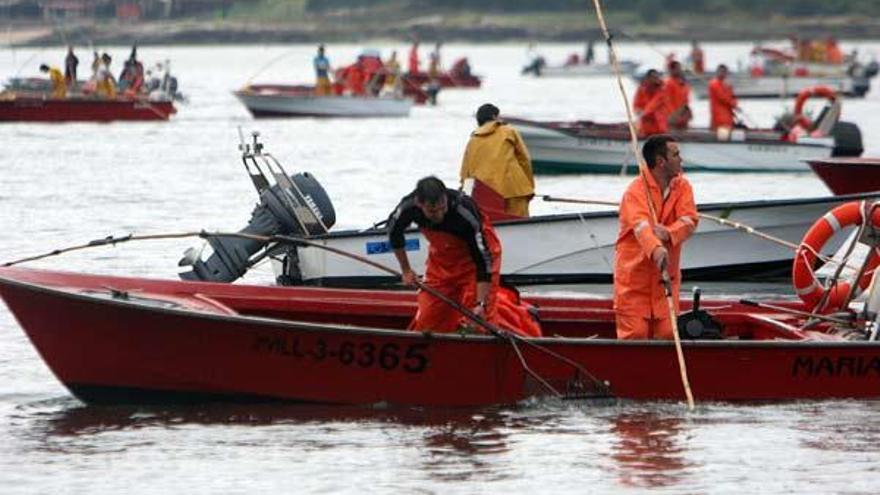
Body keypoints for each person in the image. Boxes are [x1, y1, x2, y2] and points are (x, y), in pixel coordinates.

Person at [388, 177, 541, 337]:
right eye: (432, 212)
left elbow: (483, 261)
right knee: (429, 319)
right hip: (442, 261)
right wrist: (406, 270)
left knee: (478, 321)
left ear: (445, 199)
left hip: (477, 261)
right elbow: (394, 233)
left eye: (442, 208)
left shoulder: (464, 212)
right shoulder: (407, 208)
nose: (439, 215)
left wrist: (481, 303)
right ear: (419, 204)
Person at [613, 135, 698, 340]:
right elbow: (641, 226)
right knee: (635, 335)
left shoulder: (683, 186)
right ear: (661, 161)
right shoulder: (635, 191)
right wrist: (656, 249)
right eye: (676, 154)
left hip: (666, 281)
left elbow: (690, 219)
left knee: (669, 334)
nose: (681, 159)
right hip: (635, 281)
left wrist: (669, 233)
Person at [459, 103, 534, 218]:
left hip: (487, 195)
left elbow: (465, 174)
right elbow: (524, 160)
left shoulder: (473, 141)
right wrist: (529, 187)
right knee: (521, 223)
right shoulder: (508, 131)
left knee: (494, 226)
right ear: (494, 117)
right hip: (515, 189)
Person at [633, 69, 668, 137]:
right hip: (645, 127)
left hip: (659, 127)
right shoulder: (641, 89)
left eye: (657, 77)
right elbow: (636, 105)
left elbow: (653, 105)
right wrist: (638, 111)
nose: (656, 80)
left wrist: (643, 113)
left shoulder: (662, 90)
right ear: (648, 78)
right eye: (654, 78)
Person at [708, 64, 738, 139]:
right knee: (723, 137)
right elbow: (724, 98)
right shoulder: (714, 84)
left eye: (725, 72)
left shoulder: (725, 85)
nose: (723, 74)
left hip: (727, 117)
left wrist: (733, 102)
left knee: (727, 135)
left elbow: (732, 98)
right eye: (721, 72)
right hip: (719, 118)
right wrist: (733, 102)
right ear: (717, 72)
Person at [663, 61, 692, 130]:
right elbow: (666, 102)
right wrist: (673, 115)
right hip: (672, 117)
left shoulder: (683, 84)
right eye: (677, 69)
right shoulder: (668, 83)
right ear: (671, 70)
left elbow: (686, 101)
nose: (680, 70)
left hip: (682, 116)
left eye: (679, 68)